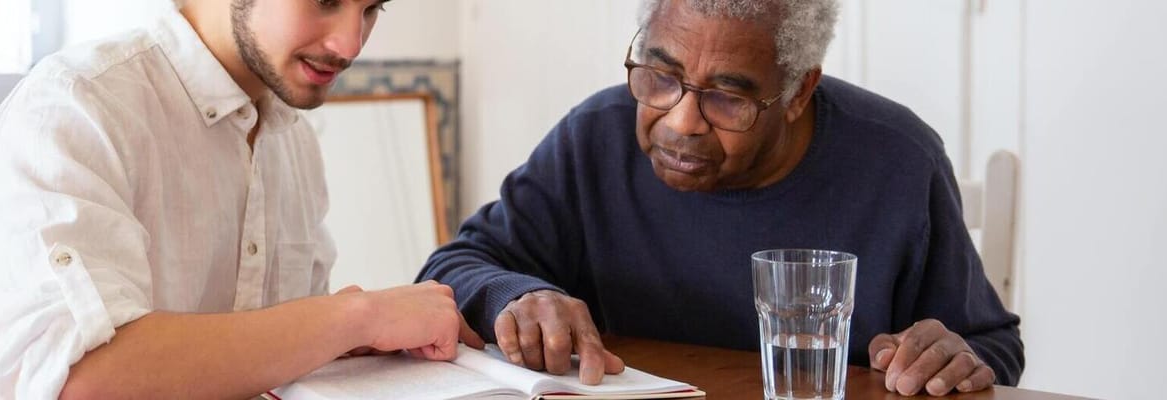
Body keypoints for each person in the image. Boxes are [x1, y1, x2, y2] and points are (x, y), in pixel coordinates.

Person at [418, 0, 1023, 396]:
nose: (680, 122)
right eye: (659, 77)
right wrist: (521, 293)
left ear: (797, 91)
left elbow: (992, 346)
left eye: (727, 97)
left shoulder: (898, 162)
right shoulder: (594, 138)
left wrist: (954, 358)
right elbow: (448, 269)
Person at [0, 0, 481, 398]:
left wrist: (345, 341)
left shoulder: (292, 140)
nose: (351, 44)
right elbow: (83, 380)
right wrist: (354, 316)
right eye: (325, 2)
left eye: (371, 9)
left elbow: (258, 346)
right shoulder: (76, 105)